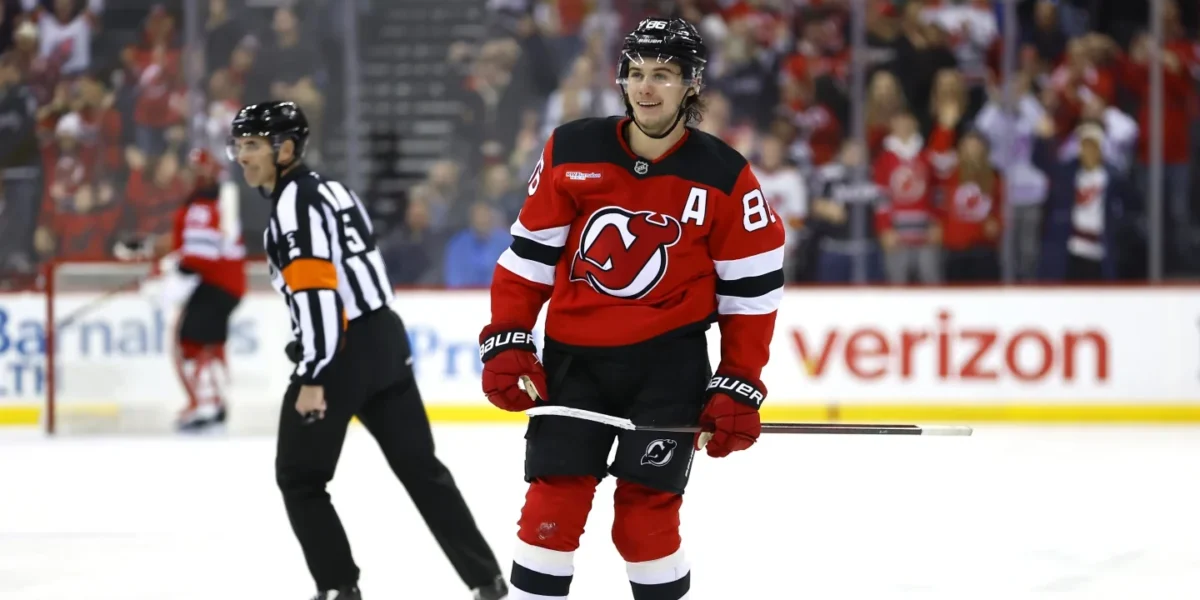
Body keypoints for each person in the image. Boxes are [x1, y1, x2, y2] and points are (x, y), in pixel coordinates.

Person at [476, 18, 785, 600]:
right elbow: (528, 261)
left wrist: (739, 381)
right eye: (636, 74)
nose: (646, 88)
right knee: (551, 511)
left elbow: (752, 294)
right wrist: (509, 339)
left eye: (663, 75)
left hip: (668, 370)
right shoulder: (571, 149)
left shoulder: (726, 176)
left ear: (691, 84)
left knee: (643, 524)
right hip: (575, 365)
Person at [227, 101, 508, 600]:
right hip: (384, 338)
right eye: (240, 145)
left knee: (299, 478)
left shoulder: (295, 205)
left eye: (251, 145)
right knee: (422, 469)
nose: (241, 156)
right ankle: (486, 578)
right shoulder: (334, 190)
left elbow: (317, 293)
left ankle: (338, 587)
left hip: (338, 353)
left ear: (285, 149)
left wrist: (314, 374)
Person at [115, 148, 247, 432]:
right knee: (203, 343)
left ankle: (207, 404)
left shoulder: (202, 206)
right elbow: (188, 244)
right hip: (226, 284)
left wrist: (166, 270)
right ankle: (212, 401)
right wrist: (150, 248)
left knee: (189, 342)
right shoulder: (213, 203)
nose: (189, 176)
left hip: (217, 284)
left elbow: (198, 256)